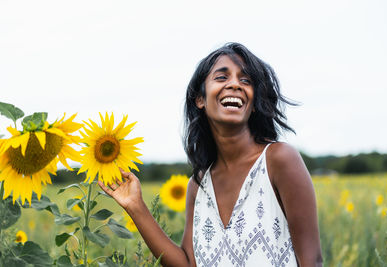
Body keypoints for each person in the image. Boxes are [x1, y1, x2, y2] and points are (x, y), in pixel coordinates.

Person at [98, 42, 323, 267]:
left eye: (246, 80)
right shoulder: (199, 185)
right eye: (222, 77)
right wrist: (136, 206)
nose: (235, 84)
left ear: (254, 103)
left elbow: (311, 262)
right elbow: (187, 265)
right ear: (200, 99)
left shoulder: (279, 160)